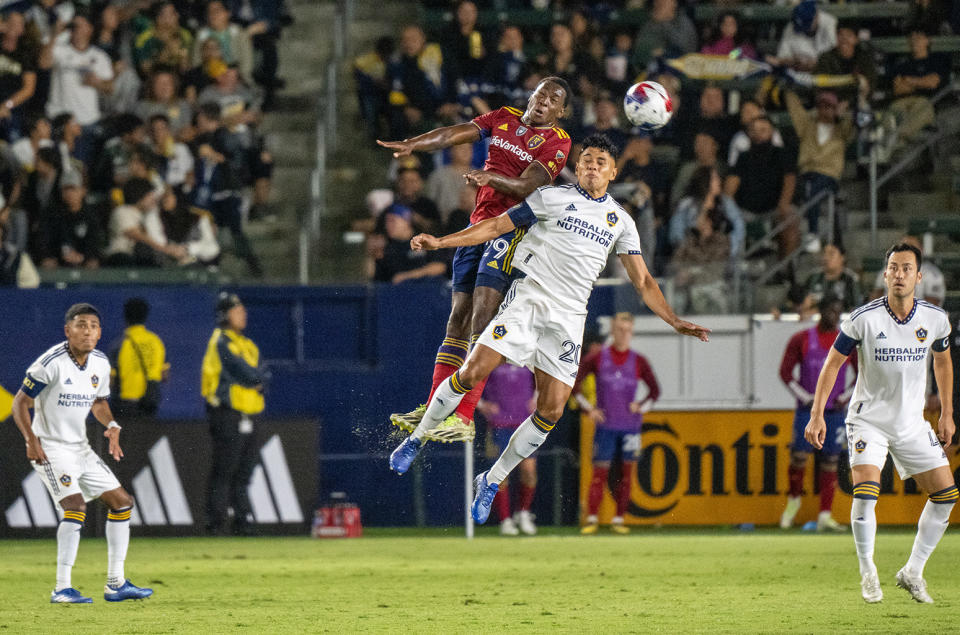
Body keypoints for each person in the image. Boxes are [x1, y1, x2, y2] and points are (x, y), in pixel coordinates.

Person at [386, 134, 710, 524]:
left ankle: (491, 480)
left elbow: (643, 281)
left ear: (613, 171)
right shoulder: (552, 198)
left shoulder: (621, 221)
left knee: (552, 409)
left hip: (570, 318)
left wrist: (674, 320)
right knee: (472, 371)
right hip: (528, 301)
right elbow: (495, 227)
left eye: (599, 161)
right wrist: (441, 242)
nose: (591, 166)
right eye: (586, 159)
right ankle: (417, 437)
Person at [379, 77, 573, 443]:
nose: (544, 101)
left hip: (511, 231)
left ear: (561, 112)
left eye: (554, 99)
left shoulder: (557, 141)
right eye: (541, 93)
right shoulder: (504, 117)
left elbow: (529, 186)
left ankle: (464, 417)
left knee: (481, 321)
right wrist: (413, 144)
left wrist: (491, 177)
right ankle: (434, 407)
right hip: (477, 226)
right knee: (457, 321)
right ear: (530, 96)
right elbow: (454, 134)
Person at [805, 242, 956, 604]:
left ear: (918, 277)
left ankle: (913, 571)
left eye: (907, 268)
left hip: (912, 424)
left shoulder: (935, 319)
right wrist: (817, 413)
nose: (900, 274)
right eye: (894, 267)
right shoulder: (863, 318)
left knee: (947, 496)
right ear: (885, 274)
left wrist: (947, 413)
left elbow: (944, 362)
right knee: (867, 491)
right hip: (868, 421)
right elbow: (832, 364)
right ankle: (867, 571)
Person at [10, 303, 153, 603]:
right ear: (68, 330)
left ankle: (116, 583)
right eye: (80, 324)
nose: (87, 331)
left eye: (93, 326)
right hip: (50, 448)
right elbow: (19, 403)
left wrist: (111, 423)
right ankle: (62, 588)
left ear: (100, 333)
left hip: (80, 449)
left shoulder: (100, 363)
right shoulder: (51, 362)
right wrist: (30, 440)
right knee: (75, 507)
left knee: (122, 503)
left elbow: (98, 403)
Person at [574, 312, 660, 535]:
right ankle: (592, 518)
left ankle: (619, 519)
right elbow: (575, 386)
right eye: (620, 329)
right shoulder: (598, 358)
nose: (623, 334)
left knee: (626, 473)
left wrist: (641, 406)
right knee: (599, 472)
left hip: (630, 426)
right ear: (613, 331)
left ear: (632, 332)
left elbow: (654, 391)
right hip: (606, 425)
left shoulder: (639, 361)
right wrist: (589, 410)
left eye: (627, 330)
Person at [779, 295, 856, 532]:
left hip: (834, 411)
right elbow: (785, 373)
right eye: (830, 310)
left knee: (831, 461)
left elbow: (861, 375)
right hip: (807, 411)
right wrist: (806, 398)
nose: (834, 315)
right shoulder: (802, 339)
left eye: (838, 310)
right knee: (799, 456)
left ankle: (824, 514)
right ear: (821, 311)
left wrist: (845, 397)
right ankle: (793, 503)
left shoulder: (846, 341)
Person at [201, 292, 267, 536]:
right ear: (224, 315)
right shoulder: (221, 342)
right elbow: (246, 373)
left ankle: (243, 521)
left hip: (250, 414)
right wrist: (256, 380)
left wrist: (258, 379)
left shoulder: (247, 344)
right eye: (237, 310)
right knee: (225, 469)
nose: (243, 314)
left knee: (244, 471)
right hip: (227, 414)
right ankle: (215, 523)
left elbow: (264, 373)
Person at [476, 363, 538, 536]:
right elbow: (470, 379)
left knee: (529, 471)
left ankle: (523, 513)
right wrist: (481, 404)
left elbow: (544, 376)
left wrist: (537, 398)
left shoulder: (528, 354)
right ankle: (505, 520)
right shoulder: (493, 356)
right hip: (499, 424)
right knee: (501, 475)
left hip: (526, 424)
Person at [109, 298, 168, 420]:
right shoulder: (156, 342)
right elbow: (164, 376)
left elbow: (110, 381)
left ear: (125, 317)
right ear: (145, 316)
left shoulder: (119, 344)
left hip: (124, 405)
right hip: (149, 404)